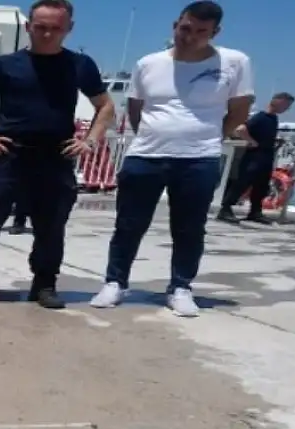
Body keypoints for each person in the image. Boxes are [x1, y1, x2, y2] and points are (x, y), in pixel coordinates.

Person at [89, 1, 253, 317]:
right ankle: (115, 282)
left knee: (190, 228)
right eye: (185, 28)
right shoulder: (148, 63)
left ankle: (180, 287)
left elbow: (240, 109)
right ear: (175, 25)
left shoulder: (235, 62)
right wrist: (154, 135)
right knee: (128, 224)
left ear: (215, 32)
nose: (189, 37)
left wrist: (210, 136)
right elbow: (135, 109)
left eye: (200, 32)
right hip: (146, 155)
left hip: (198, 158)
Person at [0, 0, 115, 309]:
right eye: (41, 27)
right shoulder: (5, 65)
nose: (48, 34)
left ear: (69, 29)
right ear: (29, 27)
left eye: (56, 28)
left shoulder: (80, 65)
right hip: (8, 156)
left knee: (52, 228)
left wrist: (89, 141)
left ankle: (45, 284)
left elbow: (105, 107)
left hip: (55, 158)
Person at [216, 91, 295, 224]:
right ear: (277, 102)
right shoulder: (261, 116)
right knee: (243, 182)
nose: (287, 109)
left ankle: (255, 211)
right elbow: (241, 129)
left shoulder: (273, 118)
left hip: (267, 155)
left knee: (261, 184)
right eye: (286, 105)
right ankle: (225, 209)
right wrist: (251, 141)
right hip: (255, 155)